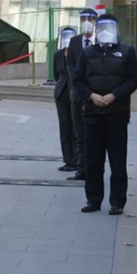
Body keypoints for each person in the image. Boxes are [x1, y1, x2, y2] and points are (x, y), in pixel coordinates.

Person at [71, 14, 137, 215]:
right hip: (92, 113)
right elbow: (77, 80)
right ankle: (93, 199)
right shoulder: (87, 52)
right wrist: (91, 96)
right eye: (101, 27)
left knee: (117, 161)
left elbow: (133, 79)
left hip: (116, 114)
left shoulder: (126, 51)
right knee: (93, 160)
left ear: (116, 29)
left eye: (109, 27)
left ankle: (117, 202)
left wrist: (113, 96)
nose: (105, 31)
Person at [65, 7, 98, 181]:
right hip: (78, 95)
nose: (86, 23)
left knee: (96, 135)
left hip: (97, 95)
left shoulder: (101, 40)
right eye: (83, 19)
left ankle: (95, 168)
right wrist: (78, 80)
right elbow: (70, 63)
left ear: (95, 22)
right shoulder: (75, 41)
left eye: (90, 19)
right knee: (80, 135)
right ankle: (82, 169)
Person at [54, 27, 77, 172]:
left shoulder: (79, 53)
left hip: (75, 93)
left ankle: (77, 160)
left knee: (76, 127)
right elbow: (56, 75)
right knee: (65, 128)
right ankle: (68, 160)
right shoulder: (57, 55)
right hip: (61, 93)